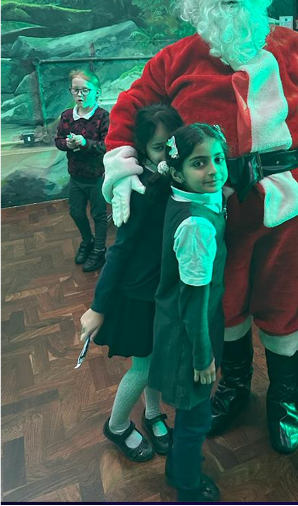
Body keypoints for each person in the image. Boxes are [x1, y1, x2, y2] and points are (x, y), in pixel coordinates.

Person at [102, 0, 298, 454]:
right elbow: (132, 106)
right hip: (213, 207)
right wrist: (120, 164)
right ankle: (234, 386)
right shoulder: (175, 59)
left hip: (286, 200)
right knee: (223, 301)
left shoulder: (294, 47)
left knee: (286, 299)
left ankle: (284, 395)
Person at [79, 103, 183, 462]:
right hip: (140, 294)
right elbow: (119, 250)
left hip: (165, 290)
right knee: (144, 366)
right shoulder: (139, 190)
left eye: (172, 145)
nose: (167, 153)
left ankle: (153, 413)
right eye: (158, 147)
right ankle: (118, 424)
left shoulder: (176, 179)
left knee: (156, 357)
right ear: (142, 149)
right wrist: (98, 307)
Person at [148, 123, 229, 503]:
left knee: (189, 411)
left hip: (182, 326)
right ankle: (188, 486)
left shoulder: (192, 199)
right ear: (178, 173)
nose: (214, 170)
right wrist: (202, 356)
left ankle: (177, 467)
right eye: (200, 163)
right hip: (189, 336)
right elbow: (194, 301)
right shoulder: (196, 225)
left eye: (218, 159)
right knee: (196, 417)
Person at [55, 69, 109, 272]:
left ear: (97, 92)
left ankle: (99, 249)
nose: (80, 95)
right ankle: (88, 240)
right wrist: (67, 144)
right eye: (75, 90)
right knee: (76, 212)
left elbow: (106, 145)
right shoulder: (67, 116)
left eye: (85, 90)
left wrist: (86, 143)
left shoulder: (103, 116)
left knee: (99, 215)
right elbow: (58, 140)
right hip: (76, 176)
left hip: (97, 177)